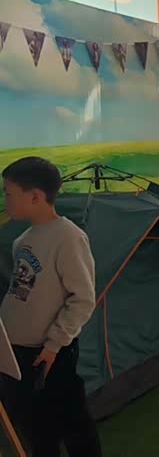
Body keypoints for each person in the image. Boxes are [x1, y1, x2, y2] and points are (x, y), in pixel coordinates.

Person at [0, 157, 102, 457]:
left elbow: (82, 298)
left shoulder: (68, 237)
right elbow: (23, 291)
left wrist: (54, 344)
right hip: (18, 354)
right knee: (35, 426)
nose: (5, 200)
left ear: (35, 196)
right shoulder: (23, 240)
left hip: (50, 354)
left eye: (9, 193)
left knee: (73, 423)